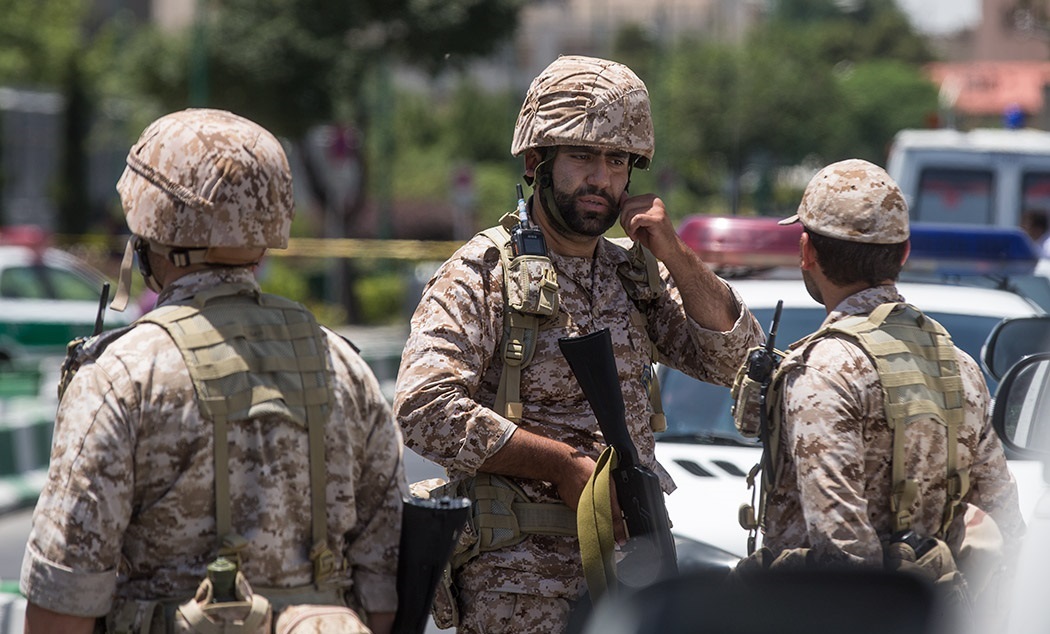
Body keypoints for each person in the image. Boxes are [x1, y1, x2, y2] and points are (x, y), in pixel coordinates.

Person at [393, 55, 763, 633]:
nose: (602, 179)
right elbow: (424, 408)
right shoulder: (483, 273)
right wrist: (562, 465)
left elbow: (735, 359)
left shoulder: (630, 276)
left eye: (618, 161)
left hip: (629, 580)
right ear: (537, 161)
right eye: (583, 157)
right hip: (518, 590)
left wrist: (675, 253)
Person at [20, 108, 405, 634]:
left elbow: (61, 605)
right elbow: (383, 594)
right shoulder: (347, 369)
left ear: (152, 225)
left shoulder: (122, 377)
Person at [734, 159, 1025, 616]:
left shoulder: (824, 368)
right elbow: (1006, 517)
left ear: (806, 251)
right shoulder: (958, 366)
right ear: (904, 253)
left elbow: (841, 546)